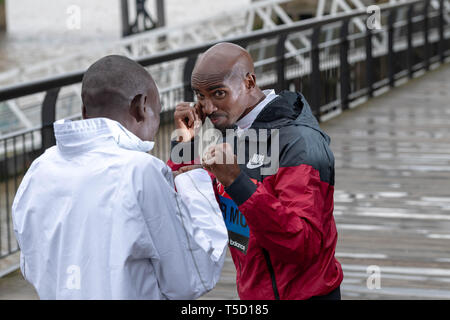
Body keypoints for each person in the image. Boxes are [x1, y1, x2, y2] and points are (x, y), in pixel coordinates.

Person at [12, 55, 228, 300]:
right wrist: (195, 181)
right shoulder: (141, 171)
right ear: (140, 106)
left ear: (84, 111)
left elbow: (31, 265)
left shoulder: (39, 169)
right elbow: (193, 278)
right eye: (156, 113)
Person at [168, 43, 343, 300]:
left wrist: (237, 182)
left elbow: (303, 246)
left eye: (218, 93)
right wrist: (184, 141)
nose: (207, 107)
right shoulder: (238, 132)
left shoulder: (300, 143)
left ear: (249, 82)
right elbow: (189, 199)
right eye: (200, 95)